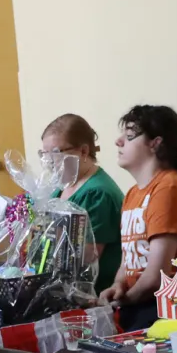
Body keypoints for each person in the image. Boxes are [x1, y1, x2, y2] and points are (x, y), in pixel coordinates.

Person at [99, 105, 177, 332]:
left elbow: (157, 276)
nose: (119, 141)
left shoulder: (170, 188)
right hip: (144, 303)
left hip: (175, 308)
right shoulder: (132, 194)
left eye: (130, 135)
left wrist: (123, 301)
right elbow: (128, 261)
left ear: (155, 143)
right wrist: (117, 285)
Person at [42, 114, 124, 294]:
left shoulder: (97, 193)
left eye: (56, 153)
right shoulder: (62, 188)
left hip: (93, 293)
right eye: (44, 154)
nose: (48, 162)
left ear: (84, 151)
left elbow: (86, 258)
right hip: (63, 287)